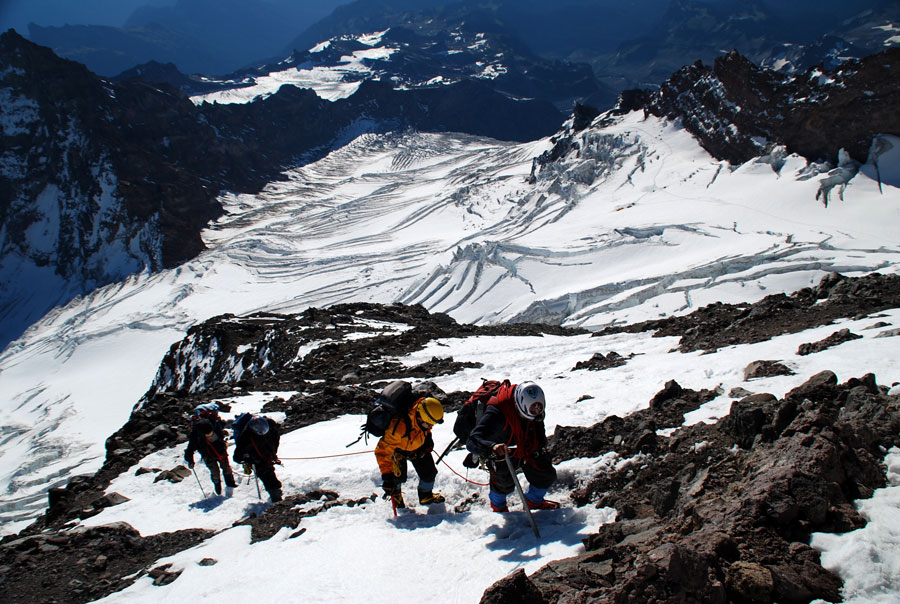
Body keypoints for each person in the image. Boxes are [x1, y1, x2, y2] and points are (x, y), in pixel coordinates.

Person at [465, 381, 559, 512]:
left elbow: (537, 428)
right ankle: (498, 508)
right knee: (503, 484)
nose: (531, 420)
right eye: (526, 416)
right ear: (517, 405)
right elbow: (473, 440)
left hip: (525, 445)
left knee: (545, 474)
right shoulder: (497, 412)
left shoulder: (535, 409)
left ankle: (533, 501)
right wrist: (492, 447)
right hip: (501, 451)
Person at [376, 397, 446, 508]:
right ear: (420, 418)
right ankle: (396, 496)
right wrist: (387, 475)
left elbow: (425, 430)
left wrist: (427, 441)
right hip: (398, 450)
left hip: (417, 447)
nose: (431, 427)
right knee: (396, 477)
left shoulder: (424, 419)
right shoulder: (398, 428)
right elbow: (383, 451)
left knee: (429, 472)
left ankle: (426, 496)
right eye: (429, 424)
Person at [233, 415, 283, 503]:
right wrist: (248, 459)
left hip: (266, 453)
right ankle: (275, 493)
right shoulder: (245, 436)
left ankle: (276, 490)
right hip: (256, 458)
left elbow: (275, 439)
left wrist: (273, 453)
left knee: (269, 471)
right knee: (265, 474)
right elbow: (237, 456)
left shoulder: (271, 426)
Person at [184, 418, 237, 496]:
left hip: (220, 451)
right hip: (208, 455)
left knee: (226, 468)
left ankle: (230, 484)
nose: (210, 436)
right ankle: (218, 488)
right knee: (215, 472)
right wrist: (190, 461)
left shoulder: (216, 427)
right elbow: (190, 449)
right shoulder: (196, 436)